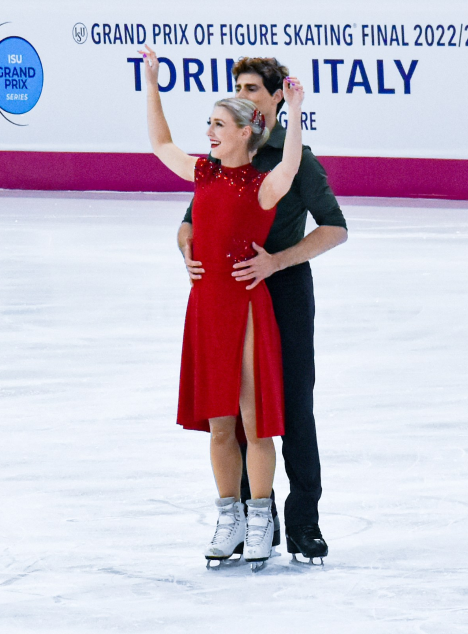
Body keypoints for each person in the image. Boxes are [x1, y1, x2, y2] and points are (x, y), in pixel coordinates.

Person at [141, 44, 305, 568]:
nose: (209, 132)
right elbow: (160, 141)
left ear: (242, 133)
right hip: (206, 308)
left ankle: (260, 519)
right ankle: (229, 518)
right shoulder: (203, 176)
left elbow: (293, 163)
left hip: (248, 309)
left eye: (217, 124)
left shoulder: (261, 187)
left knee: (255, 424)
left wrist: (295, 114)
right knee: (218, 424)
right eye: (208, 122)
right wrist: (152, 87)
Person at [178, 57, 348, 562]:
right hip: (229, 294)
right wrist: (188, 250)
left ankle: (304, 523)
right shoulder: (225, 152)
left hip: (284, 291)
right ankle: (258, 519)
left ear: (276, 97)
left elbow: (334, 228)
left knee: (291, 407)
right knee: (234, 412)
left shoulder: (296, 158)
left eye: (253, 88)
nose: (244, 95)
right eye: (238, 88)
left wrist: (277, 261)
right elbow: (191, 218)